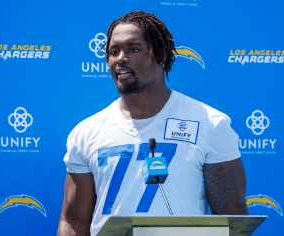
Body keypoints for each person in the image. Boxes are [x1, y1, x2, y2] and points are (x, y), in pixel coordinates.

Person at [58, 11, 248, 236]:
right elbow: (73, 222)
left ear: (159, 54)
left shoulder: (210, 124)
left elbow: (232, 221)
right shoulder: (86, 132)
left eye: (133, 49)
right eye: (113, 51)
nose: (120, 58)